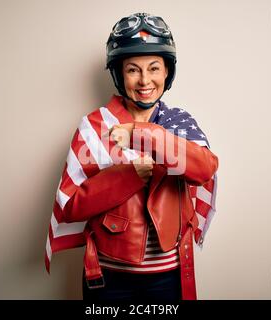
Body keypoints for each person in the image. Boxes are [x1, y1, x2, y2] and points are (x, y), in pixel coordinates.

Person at [44, 12, 219, 301]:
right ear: (118, 73)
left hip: (170, 276)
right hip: (109, 278)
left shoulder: (180, 123)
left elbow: (204, 168)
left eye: (154, 68)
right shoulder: (94, 126)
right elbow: (71, 207)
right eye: (132, 70)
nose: (145, 80)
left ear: (167, 72)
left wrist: (142, 134)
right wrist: (128, 176)